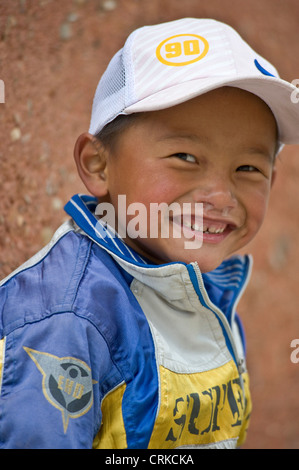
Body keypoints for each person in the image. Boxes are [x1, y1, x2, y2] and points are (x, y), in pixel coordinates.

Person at [0, 17, 298, 450]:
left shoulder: (204, 287)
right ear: (98, 164)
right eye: (184, 156)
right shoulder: (70, 319)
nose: (221, 195)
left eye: (248, 168)